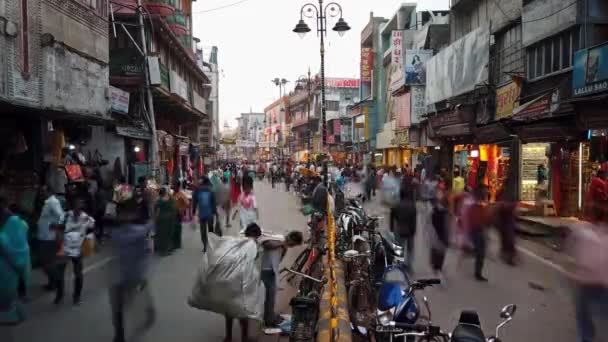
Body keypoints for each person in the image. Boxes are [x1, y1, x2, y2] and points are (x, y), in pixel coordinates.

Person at [108, 192, 156, 342]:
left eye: (126, 213)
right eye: (121, 213)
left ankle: (149, 311)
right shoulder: (115, 232)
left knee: (139, 296)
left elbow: (150, 228)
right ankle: (119, 335)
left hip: (136, 274)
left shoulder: (139, 232)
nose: (123, 217)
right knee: (117, 307)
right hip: (119, 275)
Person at [224, 223, 262, 342]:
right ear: (255, 235)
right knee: (243, 312)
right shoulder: (252, 245)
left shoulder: (236, 241)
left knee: (229, 310)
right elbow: (251, 262)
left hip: (229, 279)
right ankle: (244, 338)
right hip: (242, 281)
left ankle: (228, 337)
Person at [54, 200, 95, 305]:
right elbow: (58, 231)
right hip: (65, 248)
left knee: (78, 275)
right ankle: (59, 295)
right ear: (73, 207)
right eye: (77, 207)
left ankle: (76, 297)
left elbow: (90, 234)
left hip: (78, 249)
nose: (79, 209)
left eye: (81, 207)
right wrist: (59, 244)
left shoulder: (87, 219)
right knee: (59, 274)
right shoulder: (66, 216)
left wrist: (85, 248)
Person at [260, 230, 304, 327]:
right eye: (294, 244)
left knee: (270, 296)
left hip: (270, 270)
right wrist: (282, 244)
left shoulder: (284, 246)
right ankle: (269, 320)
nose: (292, 247)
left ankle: (269, 317)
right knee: (270, 298)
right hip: (266, 270)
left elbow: (278, 260)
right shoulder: (279, 239)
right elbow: (266, 243)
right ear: (292, 240)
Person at [0, 196, 31, 327]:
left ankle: (12, 316)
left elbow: (20, 249)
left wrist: (2, 242)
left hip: (7, 267)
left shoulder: (14, 221)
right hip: (8, 266)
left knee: (8, 296)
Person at [36, 185, 64, 291]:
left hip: (49, 237)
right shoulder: (48, 202)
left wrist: (55, 229)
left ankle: (57, 282)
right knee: (46, 261)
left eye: (43, 191)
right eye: (41, 191)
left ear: (49, 191)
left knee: (46, 261)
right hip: (44, 236)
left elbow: (61, 217)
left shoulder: (53, 202)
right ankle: (52, 283)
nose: (41, 193)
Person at [462, 188, 489, 281]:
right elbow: (468, 221)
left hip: (480, 230)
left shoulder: (481, 207)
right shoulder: (472, 206)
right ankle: (478, 273)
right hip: (475, 231)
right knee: (480, 252)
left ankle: (478, 272)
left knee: (481, 252)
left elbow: (485, 219)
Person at [390, 188, 417, 270]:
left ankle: (399, 264)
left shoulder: (396, 205)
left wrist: (391, 227)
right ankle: (409, 264)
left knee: (399, 247)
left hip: (399, 228)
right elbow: (414, 220)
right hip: (410, 229)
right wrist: (414, 230)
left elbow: (392, 217)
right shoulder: (412, 205)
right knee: (410, 248)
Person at [193, 177, 218, 252]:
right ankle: (211, 245)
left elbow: (195, 202)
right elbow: (214, 203)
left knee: (203, 230)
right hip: (210, 213)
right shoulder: (211, 190)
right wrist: (215, 213)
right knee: (210, 230)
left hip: (202, 213)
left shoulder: (197, 190)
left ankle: (205, 246)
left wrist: (193, 211)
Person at [429, 191, 450, 278]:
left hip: (439, 235)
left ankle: (436, 266)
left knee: (438, 251)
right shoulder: (440, 212)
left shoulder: (437, 211)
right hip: (439, 234)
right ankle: (437, 267)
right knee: (439, 251)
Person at [153, 187, 177, 256]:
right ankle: (166, 250)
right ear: (165, 193)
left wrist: (155, 219)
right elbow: (173, 209)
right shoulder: (170, 199)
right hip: (169, 219)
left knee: (161, 234)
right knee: (167, 234)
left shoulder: (158, 201)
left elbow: (156, 210)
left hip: (161, 218)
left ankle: (161, 250)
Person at [173, 183, 190, 251]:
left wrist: (182, 209)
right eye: (173, 186)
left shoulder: (181, 194)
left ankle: (178, 244)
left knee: (177, 228)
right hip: (173, 214)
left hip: (178, 214)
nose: (174, 187)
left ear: (178, 187)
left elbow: (187, 203)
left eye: (175, 186)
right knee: (174, 228)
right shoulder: (173, 194)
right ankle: (175, 243)